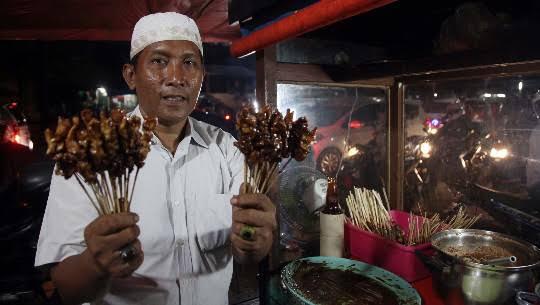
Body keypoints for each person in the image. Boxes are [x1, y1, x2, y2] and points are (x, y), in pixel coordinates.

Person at [35, 12, 276, 305]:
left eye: (189, 63)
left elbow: (248, 249)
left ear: (202, 77)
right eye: (159, 61)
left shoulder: (226, 148)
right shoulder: (89, 155)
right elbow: (69, 288)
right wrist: (95, 263)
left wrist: (254, 240)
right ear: (130, 76)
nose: (176, 78)